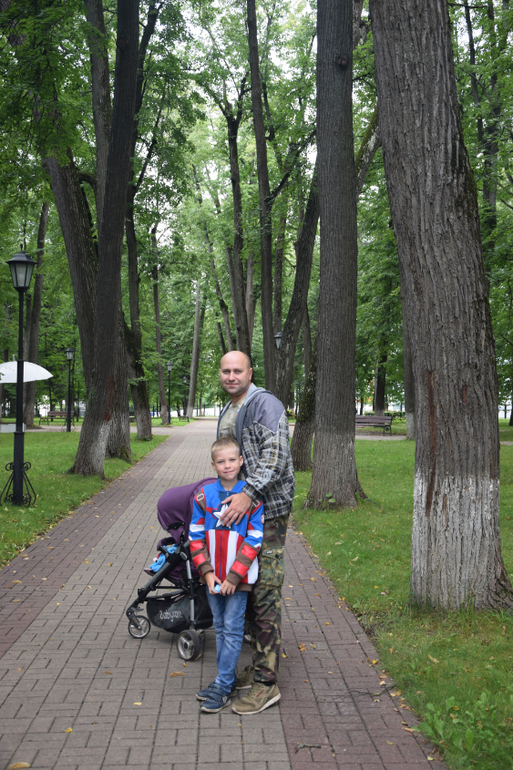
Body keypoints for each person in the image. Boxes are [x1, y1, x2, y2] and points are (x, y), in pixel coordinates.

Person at [217, 350, 295, 715]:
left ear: (250, 373)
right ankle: (260, 663)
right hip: (241, 516)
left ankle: (267, 684)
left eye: (238, 370)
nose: (231, 376)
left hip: (268, 514)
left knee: (264, 592)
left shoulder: (265, 404)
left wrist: (247, 494)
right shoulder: (229, 408)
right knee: (246, 589)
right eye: (226, 371)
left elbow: (275, 459)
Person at [189, 437, 264, 713]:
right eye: (221, 461)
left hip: (237, 580)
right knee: (220, 628)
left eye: (232, 459)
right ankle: (226, 680)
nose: (228, 465)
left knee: (232, 630)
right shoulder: (203, 496)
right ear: (213, 465)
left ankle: (223, 685)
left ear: (241, 461)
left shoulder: (251, 498)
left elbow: (255, 538)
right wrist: (207, 573)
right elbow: (195, 536)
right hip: (213, 578)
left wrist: (234, 577)